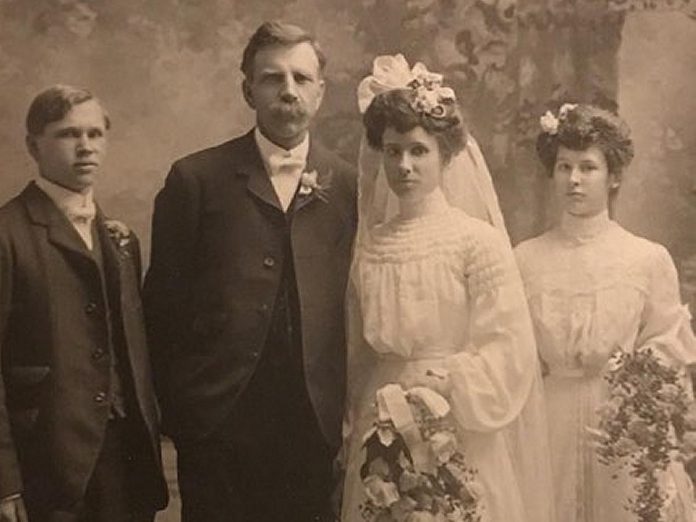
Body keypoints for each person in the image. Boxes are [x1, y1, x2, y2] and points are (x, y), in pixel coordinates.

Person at [143, 21, 357, 522]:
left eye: (302, 79)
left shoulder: (349, 184)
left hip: (313, 420)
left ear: (321, 93)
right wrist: (186, 410)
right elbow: (161, 307)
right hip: (220, 421)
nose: (288, 91)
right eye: (272, 78)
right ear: (248, 90)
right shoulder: (196, 179)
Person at [340, 54, 554, 522]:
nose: (405, 165)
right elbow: (358, 351)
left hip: (457, 422)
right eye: (393, 151)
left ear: (446, 156)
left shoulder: (475, 241)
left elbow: (509, 346)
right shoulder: (371, 246)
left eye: (419, 151)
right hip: (383, 420)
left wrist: (448, 381)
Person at [515, 103, 696, 522]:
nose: (574, 180)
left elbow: (667, 341)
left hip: (622, 426)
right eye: (564, 167)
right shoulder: (526, 259)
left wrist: (636, 392)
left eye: (588, 167)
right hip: (550, 422)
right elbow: (514, 351)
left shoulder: (646, 258)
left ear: (613, 177)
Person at [0, 85, 168, 522]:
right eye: (68, 134)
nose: (86, 147)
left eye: (95, 134)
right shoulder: (8, 234)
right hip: (48, 462)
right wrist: (5, 481)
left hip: (127, 456)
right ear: (33, 146)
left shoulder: (119, 236)